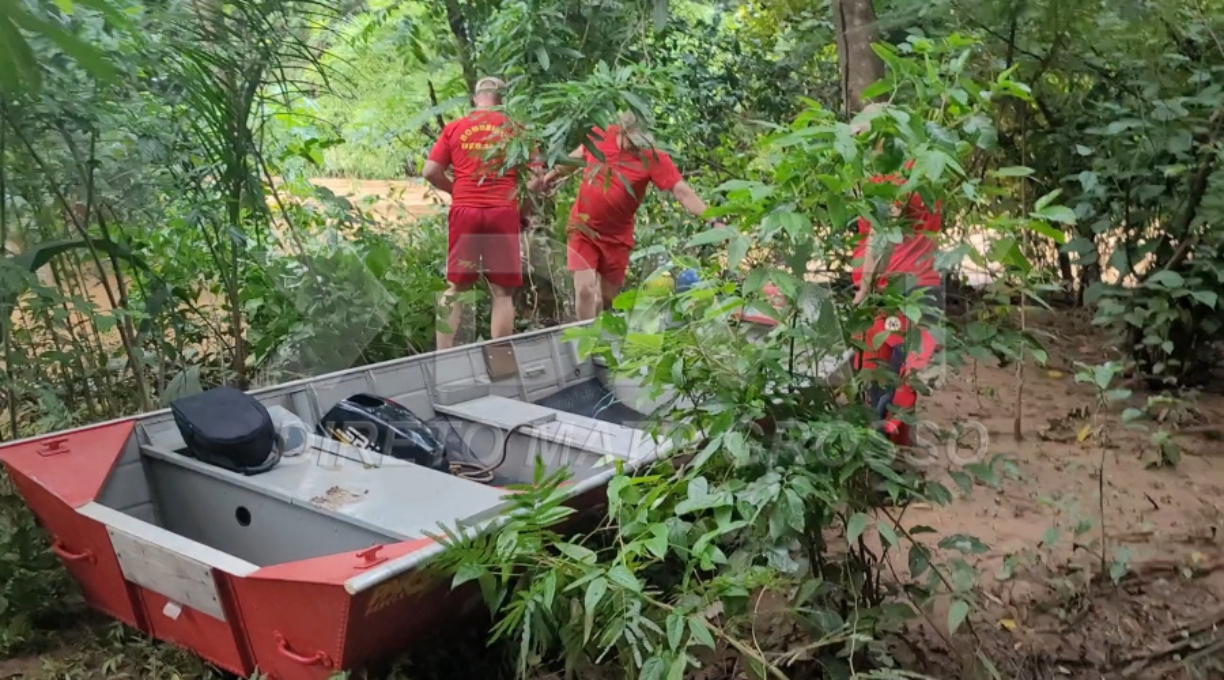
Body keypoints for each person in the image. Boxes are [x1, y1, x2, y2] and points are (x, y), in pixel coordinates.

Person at [540, 112, 721, 320]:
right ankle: (584, 346)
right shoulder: (602, 135)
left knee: (606, 298)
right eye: (632, 141)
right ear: (622, 130)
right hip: (583, 227)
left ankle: (594, 326)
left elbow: (681, 191)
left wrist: (713, 219)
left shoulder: (653, 157)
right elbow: (580, 154)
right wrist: (552, 174)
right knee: (585, 290)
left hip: (617, 236)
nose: (636, 146)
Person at [849, 108, 944, 447]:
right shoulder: (922, 168)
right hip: (923, 285)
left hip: (894, 289)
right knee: (904, 374)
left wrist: (865, 287)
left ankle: (879, 460)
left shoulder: (894, 175)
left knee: (884, 378)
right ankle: (900, 453)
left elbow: (881, 232)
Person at [422, 77, 531, 350]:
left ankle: (443, 358)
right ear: (502, 101)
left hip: (465, 212)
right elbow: (537, 179)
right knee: (502, 292)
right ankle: (501, 362)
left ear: (474, 98)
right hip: (502, 212)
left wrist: (457, 192)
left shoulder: (455, 128)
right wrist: (522, 209)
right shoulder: (516, 130)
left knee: (456, 287)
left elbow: (430, 172)